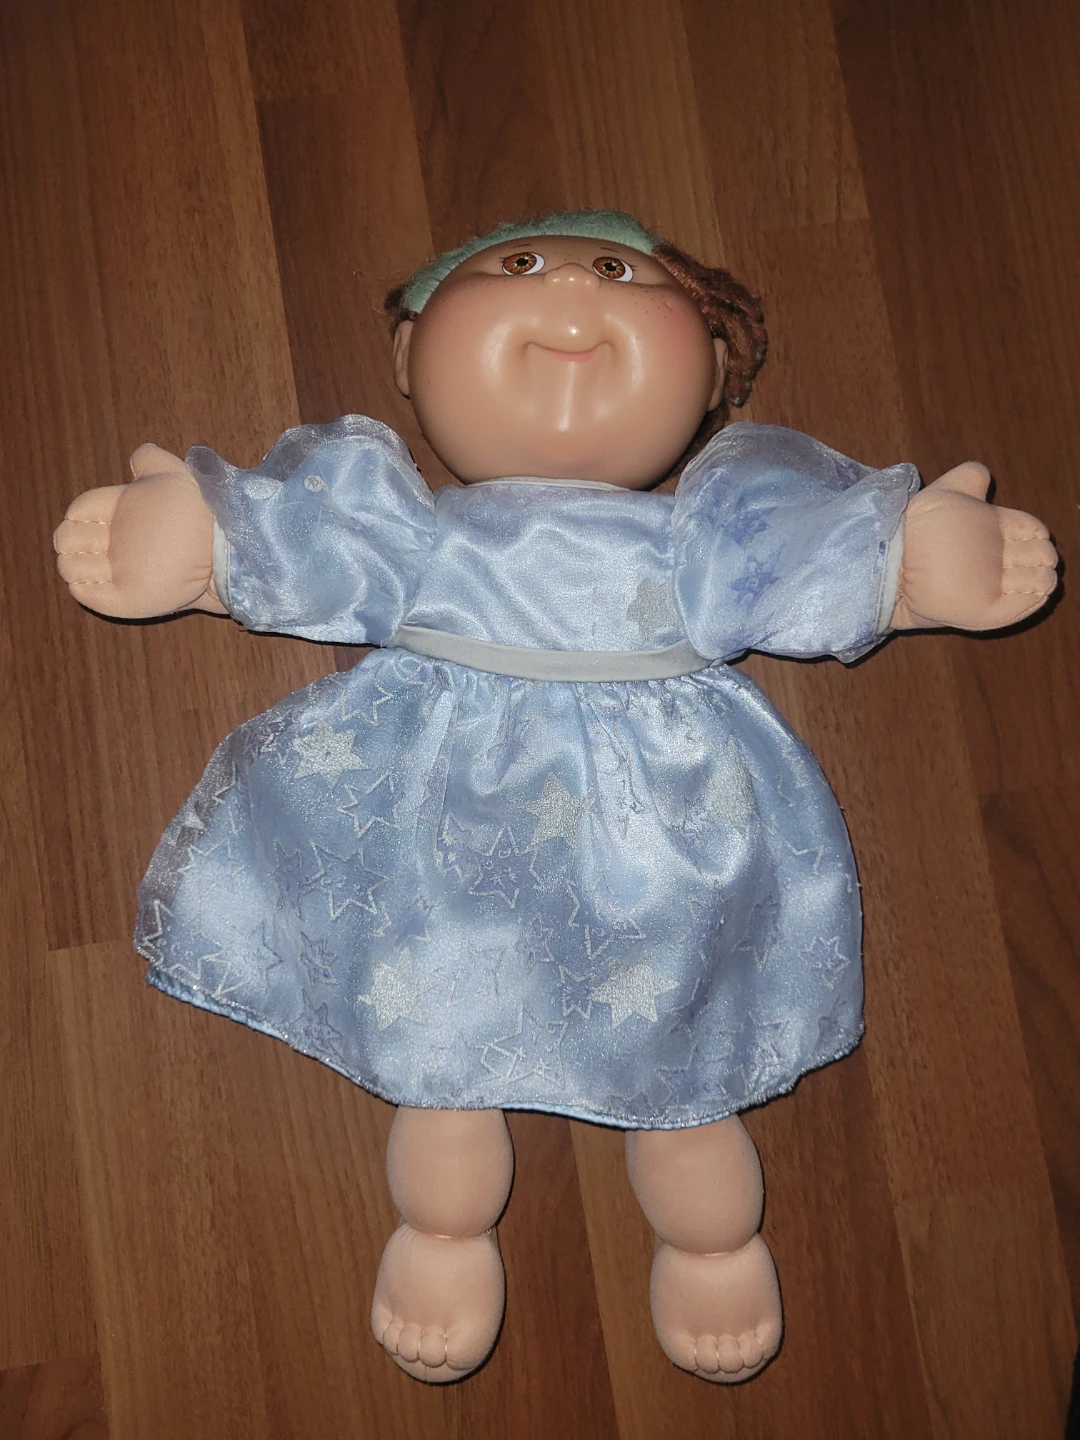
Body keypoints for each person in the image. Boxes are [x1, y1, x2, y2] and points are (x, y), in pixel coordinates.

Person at [54, 211, 1059, 1384]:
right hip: (447, 829)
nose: (574, 286)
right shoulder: (414, 528)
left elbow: (817, 566)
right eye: (521, 266)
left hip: (662, 838)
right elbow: (302, 543)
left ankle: (715, 1241)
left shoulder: (712, 530)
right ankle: (441, 1231)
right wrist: (195, 538)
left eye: (621, 272)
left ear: (710, 373)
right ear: (412, 355)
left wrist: (916, 563)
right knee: (444, 1047)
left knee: (682, 1057)